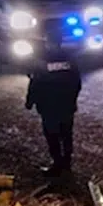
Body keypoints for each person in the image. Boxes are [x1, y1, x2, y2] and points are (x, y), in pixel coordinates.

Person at [25, 36, 82, 178]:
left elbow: (35, 83)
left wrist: (30, 101)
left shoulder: (41, 60)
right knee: (67, 135)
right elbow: (77, 82)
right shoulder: (70, 60)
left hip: (49, 107)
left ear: (49, 44)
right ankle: (67, 163)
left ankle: (57, 164)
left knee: (52, 136)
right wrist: (72, 99)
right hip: (66, 106)